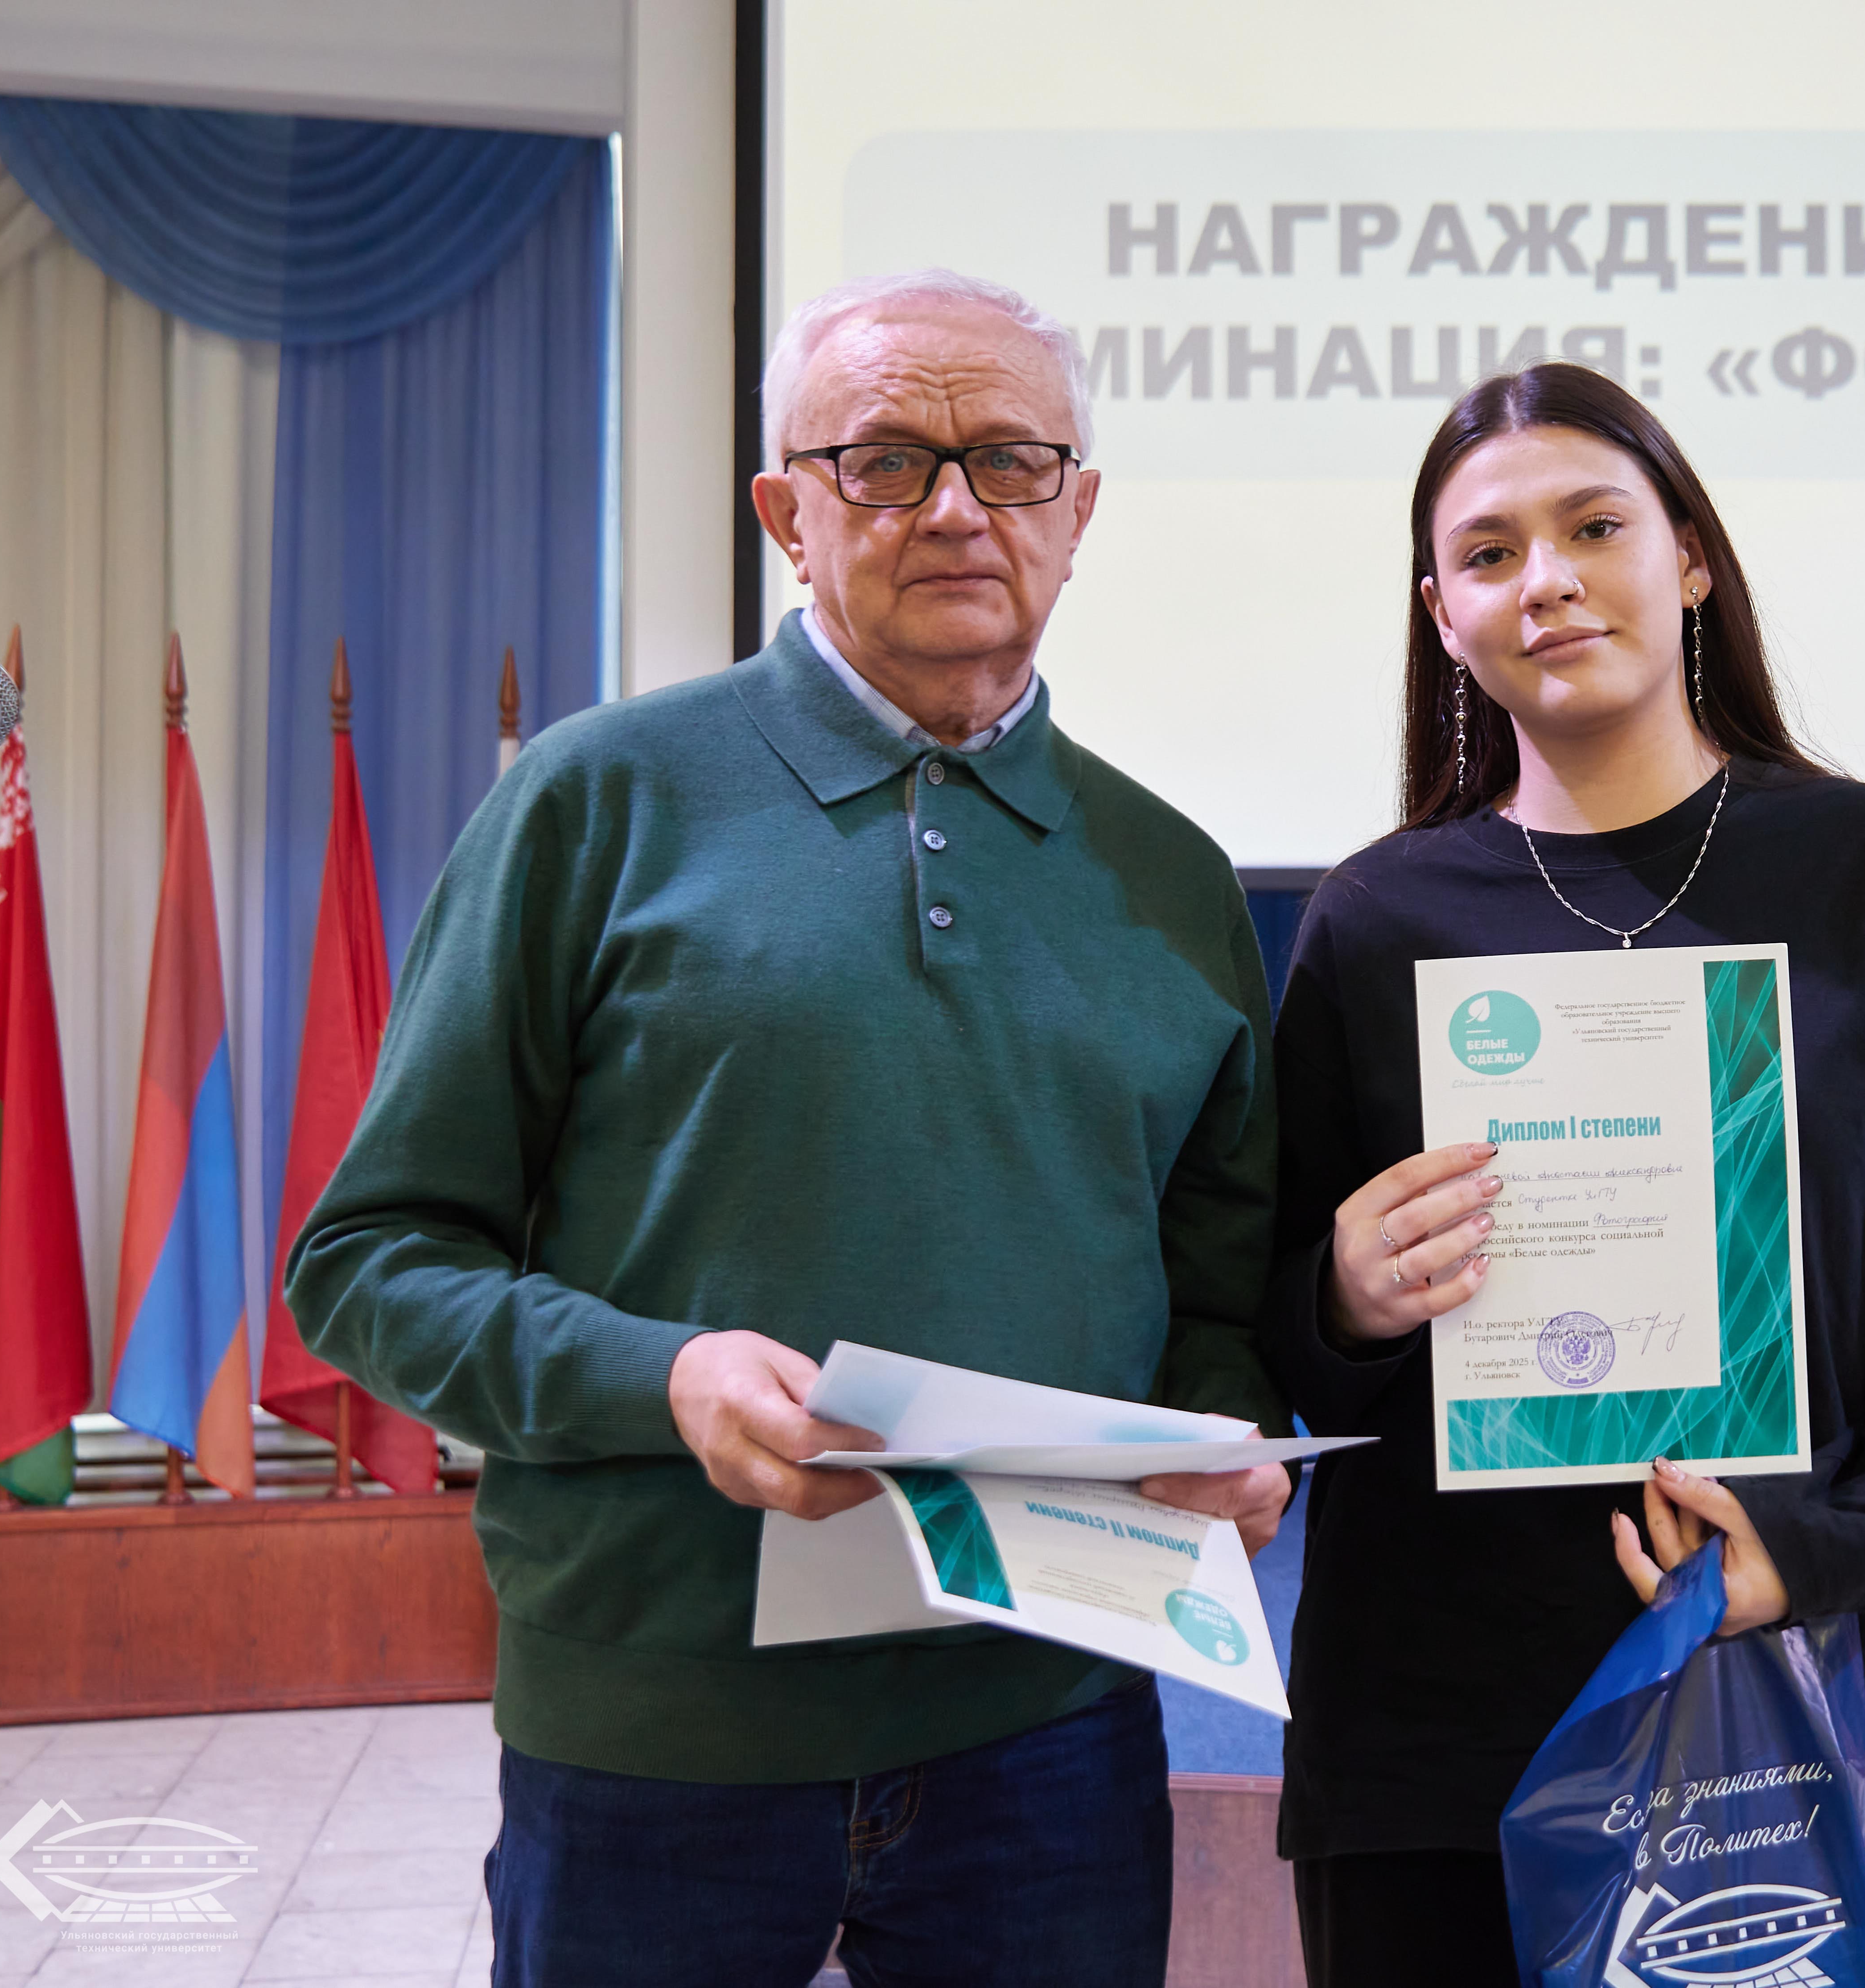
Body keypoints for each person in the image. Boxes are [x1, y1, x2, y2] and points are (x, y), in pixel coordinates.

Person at [288, 268, 1292, 1988]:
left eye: (1014, 461)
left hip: (1051, 1738)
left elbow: (1216, 1300)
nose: (959, 509)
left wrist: (1221, 1439)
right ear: (786, 515)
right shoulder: (594, 803)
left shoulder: (1175, 879)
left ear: (1080, 511)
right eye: (886, 461)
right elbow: (370, 1263)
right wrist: (664, 1377)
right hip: (654, 1740)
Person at [1260, 362, 1865, 1988]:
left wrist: (1823, 1550)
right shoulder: (1374, 919)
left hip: (1768, 1698)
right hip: (1426, 1737)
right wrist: (1342, 1296)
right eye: (1489, 553)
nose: (1547, 580)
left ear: (1690, 558)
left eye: (1595, 527)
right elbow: (1270, 1332)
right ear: (1443, 617)